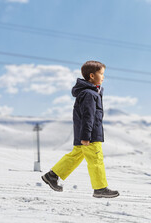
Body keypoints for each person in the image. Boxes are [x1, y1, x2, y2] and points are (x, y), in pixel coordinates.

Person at [42, 60, 119, 198]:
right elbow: (87, 117)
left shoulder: (91, 93)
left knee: (76, 156)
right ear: (91, 76)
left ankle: (52, 176)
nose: (103, 77)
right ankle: (100, 188)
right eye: (101, 74)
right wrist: (86, 136)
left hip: (84, 133)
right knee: (96, 159)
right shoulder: (89, 94)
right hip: (90, 135)